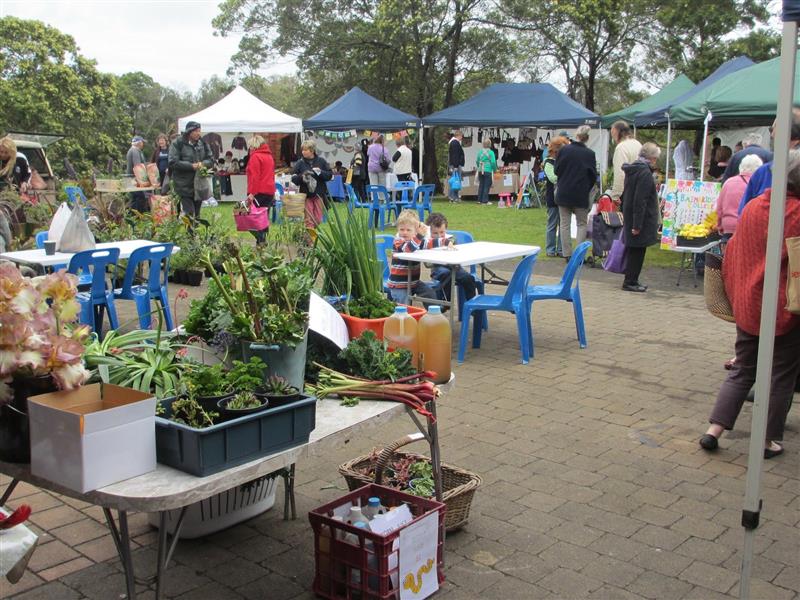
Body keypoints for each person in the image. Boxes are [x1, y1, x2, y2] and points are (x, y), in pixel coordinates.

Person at [699, 150, 800, 459]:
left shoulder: (755, 206)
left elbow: (735, 252)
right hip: (785, 307)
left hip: (748, 302)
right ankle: (767, 440)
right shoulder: (796, 213)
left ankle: (714, 430)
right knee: (780, 374)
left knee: (743, 369)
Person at [738, 109, 800, 214]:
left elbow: (743, 213)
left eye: (772, 129)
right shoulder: (763, 172)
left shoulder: (764, 173)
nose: (771, 135)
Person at [620, 142, 661, 293]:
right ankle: (630, 281)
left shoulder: (634, 169)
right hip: (640, 217)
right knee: (637, 250)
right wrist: (637, 225)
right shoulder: (644, 173)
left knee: (635, 249)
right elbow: (640, 200)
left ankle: (632, 279)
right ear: (652, 158)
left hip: (631, 214)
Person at [387, 209, 452, 305]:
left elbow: (429, 243)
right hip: (399, 285)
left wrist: (445, 241)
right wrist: (419, 235)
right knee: (404, 308)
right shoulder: (398, 241)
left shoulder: (417, 241)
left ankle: (434, 311)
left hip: (414, 282)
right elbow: (408, 248)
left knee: (429, 293)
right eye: (401, 229)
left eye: (408, 230)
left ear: (415, 231)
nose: (404, 232)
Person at [554, 125, 597, 260]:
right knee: (581, 224)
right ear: (587, 138)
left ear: (576, 136)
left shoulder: (563, 150)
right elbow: (593, 176)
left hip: (564, 192)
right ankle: (578, 255)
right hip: (581, 193)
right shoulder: (590, 154)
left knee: (564, 224)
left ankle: (567, 254)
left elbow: (556, 170)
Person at [425, 212, 477, 303]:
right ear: (429, 231)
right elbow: (427, 264)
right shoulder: (427, 242)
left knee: (468, 278)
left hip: (455, 267)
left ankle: (471, 304)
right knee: (446, 274)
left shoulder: (451, 239)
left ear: (446, 229)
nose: (439, 236)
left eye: (442, 232)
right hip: (438, 268)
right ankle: (445, 302)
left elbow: (458, 256)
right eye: (435, 233)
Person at [168, 121, 214, 222]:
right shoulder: (177, 143)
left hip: (199, 184)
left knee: (197, 214)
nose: (198, 133)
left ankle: (193, 231)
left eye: (199, 131)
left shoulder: (203, 143)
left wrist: (203, 164)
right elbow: (172, 162)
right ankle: (191, 231)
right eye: (196, 131)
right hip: (183, 185)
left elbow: (211, 160)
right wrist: (190, 166)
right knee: (190, 213)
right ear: (189, 132)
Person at [291, 140, 332, 240]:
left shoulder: (321, 161)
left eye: (306, 150)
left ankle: (306, 236)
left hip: (319, 194)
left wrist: (320, 172)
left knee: (317, 219)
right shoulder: (300, 163)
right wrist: (302, 176)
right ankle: (310, 242)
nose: (303, 152)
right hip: (306, 195)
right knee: (308, 220)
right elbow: (293, 178)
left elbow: (329, 175)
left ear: (312, 150)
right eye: (302, 150)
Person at [715, 154, 763, 241]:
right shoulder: (755, 185)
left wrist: (720, 226)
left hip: (728, 227)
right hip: (746, 228)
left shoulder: (728, 182)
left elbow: (719, 208)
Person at [245, 135, 275, 245]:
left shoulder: (255, 157)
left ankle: (260, 240)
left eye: (250, 146)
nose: (249, 148)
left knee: (249, 217)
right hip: (269, 191)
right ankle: (262, 241)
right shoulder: (269, 156)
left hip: (258, 191)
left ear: (254, 145)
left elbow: (255, 177)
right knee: (264, 218)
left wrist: (252, 193)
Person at [543, 136, 569, 257]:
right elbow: (553, 178)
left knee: (563, 225)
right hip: (552, 197)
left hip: (564, 196)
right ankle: (550, 249)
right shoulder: (548, 162)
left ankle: (561, 249)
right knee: (552, 224)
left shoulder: (564, 161)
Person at [609, 121, 642, 205]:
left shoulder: (621, 147)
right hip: (640, 188)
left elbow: (620, 173)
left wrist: (616, 195)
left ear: (616, 132)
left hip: (628, 191)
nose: (612, 136)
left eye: (612, 132)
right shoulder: (637, 144)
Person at [126, 135, 149, 213]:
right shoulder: (135, 151)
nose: (143, 144)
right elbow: (137, 166)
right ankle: (136, 216)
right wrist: (143, 179)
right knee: (139, 197)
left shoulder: (134, 150)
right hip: (133, 179)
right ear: (139, 143)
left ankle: (133, 215)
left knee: (135, 198)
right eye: (142, 142)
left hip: (132, 179)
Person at [475, 138, 497, 205]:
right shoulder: (491, 152)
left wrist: (479, 167)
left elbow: (477, 161)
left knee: (481, 185)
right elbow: (493, 162)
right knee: (486, 186)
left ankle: (479, 200)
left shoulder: (480, 152)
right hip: (488, 170)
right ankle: (485, 201)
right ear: (490, 144)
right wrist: (494, 169)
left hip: (480, 170)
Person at [447, 131, 465, 203]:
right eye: (461, 136)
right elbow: (455, 156)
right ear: (459, 135)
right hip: (455, 165)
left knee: (454, 181)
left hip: (454, 164)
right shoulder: (455, 143)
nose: (462, 138)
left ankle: (454, 197)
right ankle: (453, 197)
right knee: (455, 181)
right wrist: (455, 166)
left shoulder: (454, 142)